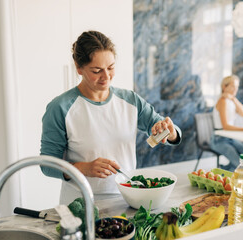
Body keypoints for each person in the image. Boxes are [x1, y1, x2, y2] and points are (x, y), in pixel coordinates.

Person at [40, 30, 181, 204]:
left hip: (127, 199)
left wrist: (170, 132)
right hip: (80, 203)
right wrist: (84, 168)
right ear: (78, 67)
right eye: (97, 70)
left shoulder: (130, 100)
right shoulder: (60, 108)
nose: (106, 77)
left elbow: (166, 130)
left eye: (111, 67)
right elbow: (47, 165)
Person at [210, 75, 243, 171]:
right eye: (232, 86)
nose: (235, 89)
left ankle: (225, 169)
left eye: (236, 87)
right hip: (219, 139)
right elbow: (226, 126)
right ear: (224, 87)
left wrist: (233, 99)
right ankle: (228, 172)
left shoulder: (231, 101)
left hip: (230, 138)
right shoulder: (222, 101)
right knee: (240, 164)